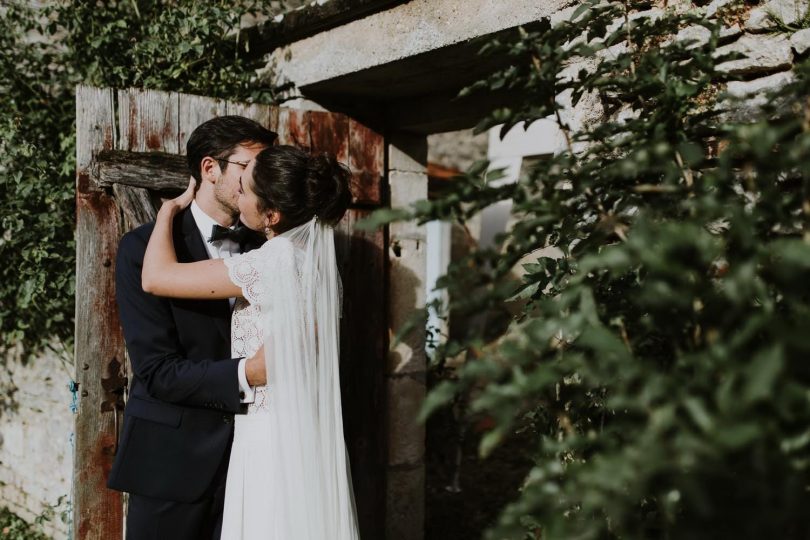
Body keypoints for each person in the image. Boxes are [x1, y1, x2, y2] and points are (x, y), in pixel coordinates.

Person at [141, 145, 361, 539]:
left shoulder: (273, 260)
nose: (236, 195)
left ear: (272, 215)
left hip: (268, 437)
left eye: (245, 190)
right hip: (303, 427)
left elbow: (156, 276)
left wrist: (166, 212)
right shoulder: (317, 266)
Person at [108, 116, 277, 540]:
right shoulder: (144, 249)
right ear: (210, 168)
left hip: (252, 464)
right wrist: (247, 373)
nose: (261, 181)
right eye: (249, 168)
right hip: (170, 465)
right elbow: (157, 371)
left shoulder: (270, 248)